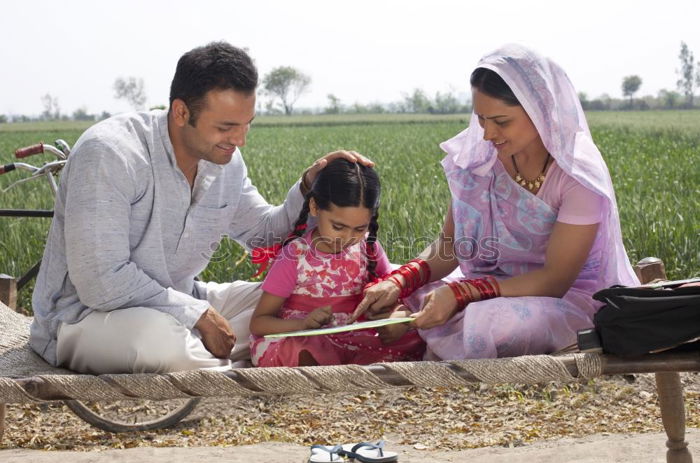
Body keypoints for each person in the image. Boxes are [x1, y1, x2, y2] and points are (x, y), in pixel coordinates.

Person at [29, 41, 373, 374]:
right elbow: (100, 281)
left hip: (183, 301)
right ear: (181, 112)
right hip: (86, 318)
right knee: (161, 343)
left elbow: (264, 232)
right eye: (226, 127)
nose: (240, 140)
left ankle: (232, 358)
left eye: (246, 124)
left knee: (308, 297)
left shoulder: (225, 161)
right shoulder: (111, 153)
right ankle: (243, 366)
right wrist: (199, 316)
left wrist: (306, 185)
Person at [351, 44, 640, 360]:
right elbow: (449, 248)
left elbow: (555, 280)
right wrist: (400, 281)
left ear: (540, 110)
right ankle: (416, 324)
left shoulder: (576, 177)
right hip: (488, 287)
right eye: (481, 119)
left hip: (559, 299)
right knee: (397, 288)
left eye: (501, 121)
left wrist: (462, 294)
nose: (488, 134)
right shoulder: (479, 164)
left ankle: (423, 331)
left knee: (494, 321)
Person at [249, 158, 425, 366]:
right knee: (300, 350)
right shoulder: (295, 256)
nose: (348, 238)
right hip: (305, 335)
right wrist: (303, 324)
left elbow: (393, 294)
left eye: (359, 229)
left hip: (356, 335)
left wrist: (398, 316)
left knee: (416, 339)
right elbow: (259, 323)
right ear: (314, 207)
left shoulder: (368, 247)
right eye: (338, 227)